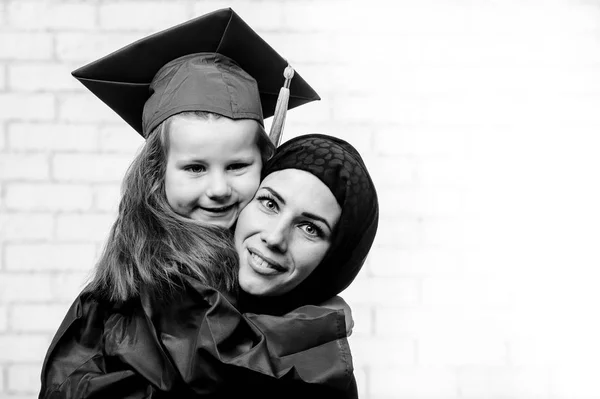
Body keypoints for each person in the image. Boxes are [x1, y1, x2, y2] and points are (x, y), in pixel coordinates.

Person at [39, 9, 360, 399]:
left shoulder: (256, 263)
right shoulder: (154, 285)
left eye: (238, 166)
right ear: (157, 176)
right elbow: (226, 363)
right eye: (194, 167)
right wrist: (317, 326)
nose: (219, 188)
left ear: (267, 163)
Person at [226, 133, 380, 398]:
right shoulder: (159, 296)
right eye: (270, 203)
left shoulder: (321, 379)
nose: (275, 237)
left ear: (334, 260)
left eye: (310, 228)